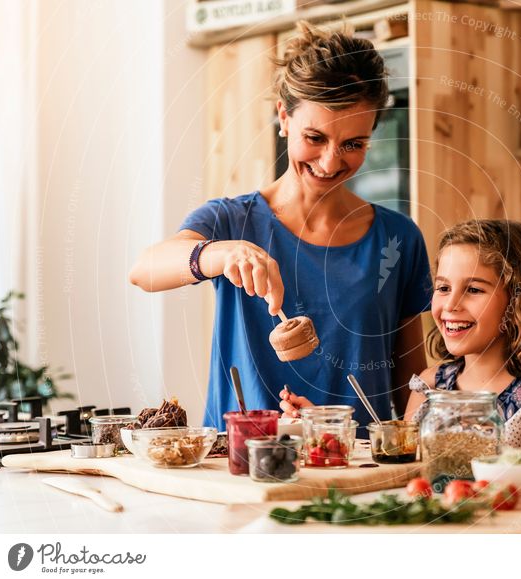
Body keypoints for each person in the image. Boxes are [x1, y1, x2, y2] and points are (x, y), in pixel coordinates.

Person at [129, 21, 431, 431]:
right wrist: (220, 253)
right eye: (315, 137)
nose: (330, 162)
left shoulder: (398, 238)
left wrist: (414, 448)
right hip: (239, 462)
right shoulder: (231, 220)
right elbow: (144, 270)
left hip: (357, 470)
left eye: (353, 144)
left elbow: (410, 381)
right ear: (284, 118)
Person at [404, 220, 521, 468]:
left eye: (474, 290)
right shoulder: (428, 386)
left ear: (519, 300)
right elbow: (407, 481)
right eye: (444, 287)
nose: (450, 305)